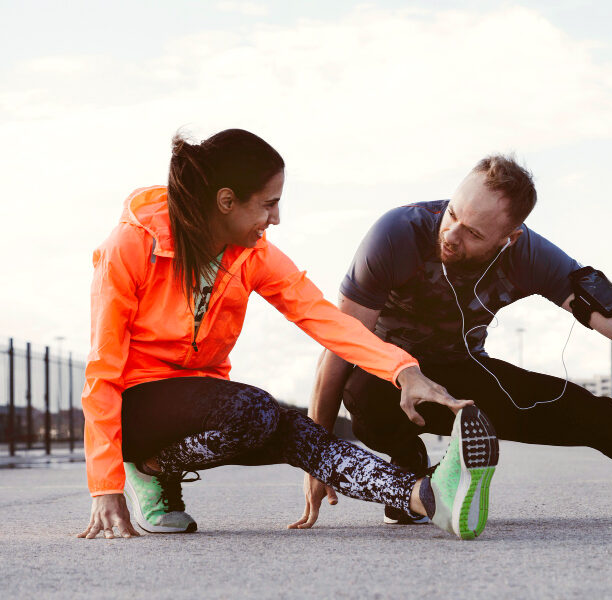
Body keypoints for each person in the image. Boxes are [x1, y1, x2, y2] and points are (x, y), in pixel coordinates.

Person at [297, 154, 612, 529]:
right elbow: (342, 342)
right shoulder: (398, 233)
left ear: (509, 237)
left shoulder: (531, 256)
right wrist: (316, 455)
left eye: (474, 233)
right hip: (386, 382)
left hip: (463, 381)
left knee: (597, 416)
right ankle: (412, 477)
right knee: (363, 388)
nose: (452, 235)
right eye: (452, 214)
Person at [78, 129, 499, 542]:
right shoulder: (132, 245)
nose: (275, 218)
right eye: (268, 204)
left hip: (202, 401)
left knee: (292, 429)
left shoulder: (250, 254)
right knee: (254, 410)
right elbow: (102, 370)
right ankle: (147, 468)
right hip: (134, 406)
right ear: (226, 201)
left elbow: (321, 317)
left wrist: (402, 369)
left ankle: (427, 496)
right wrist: (105, 485)